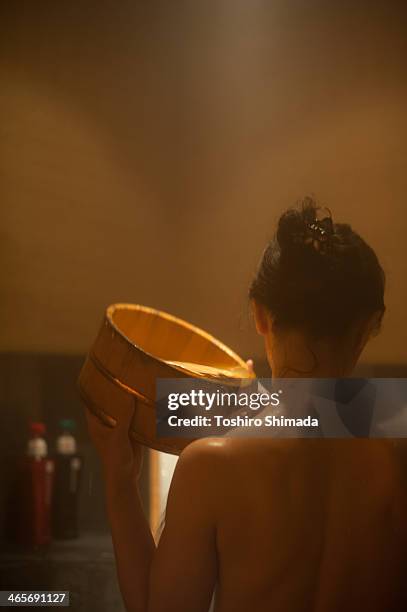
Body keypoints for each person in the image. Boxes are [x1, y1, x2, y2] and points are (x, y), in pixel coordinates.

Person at [86, 198, 407, 612]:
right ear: (368, 328)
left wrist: (119, 480)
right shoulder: (396, 456)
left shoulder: (211, 467)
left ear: (260, 315)